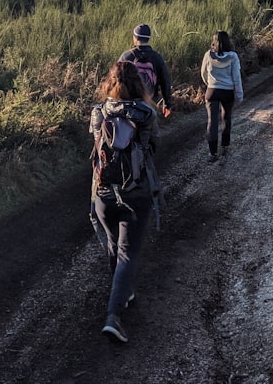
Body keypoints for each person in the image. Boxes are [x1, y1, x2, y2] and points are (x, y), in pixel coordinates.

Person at [90, 61, 161, 343]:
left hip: (103, 193)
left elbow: (96, 144)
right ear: (138, 84)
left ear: (109, 83)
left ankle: (124, 292)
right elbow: (154, 146)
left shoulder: (98, 112)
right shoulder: (146, 113)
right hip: (136, 191)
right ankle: (113, 316)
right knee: (127, 253)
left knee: (113, 244)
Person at [199, 30, 244, 162]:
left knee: (212, 122)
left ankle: (212, 153)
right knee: (226, 119)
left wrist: (210, 83)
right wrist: (239, 95)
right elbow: (236, 77)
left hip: (212, 91)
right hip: (227, 92)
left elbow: (203, 73)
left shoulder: (208, 54)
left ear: (214, 42)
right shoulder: (233, 56)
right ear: (227, 41)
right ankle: (225, 147)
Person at [119, 23, 173, 118]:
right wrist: (167, 104)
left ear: (135, 38)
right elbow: (166, 82)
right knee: (149, 129)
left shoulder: (126, 56)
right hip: (150, 102)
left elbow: (115, 79)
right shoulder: (157, 57)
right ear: (148, 38)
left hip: (130, 104)